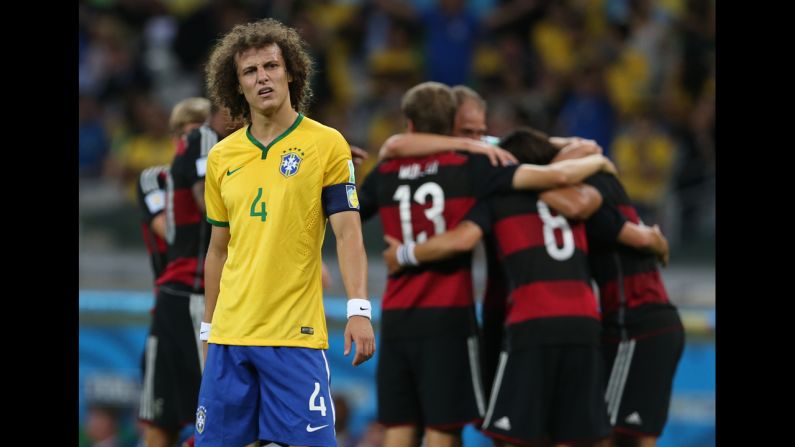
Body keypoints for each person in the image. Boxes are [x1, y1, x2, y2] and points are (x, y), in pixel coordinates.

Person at [358, 81, 615, 447]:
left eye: (482, 132)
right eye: (469, 132)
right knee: (446, 427)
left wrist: (401, 253)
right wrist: (599, 162)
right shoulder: (475, 166)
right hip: (452, 315)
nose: (478, 139)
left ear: (410, 123)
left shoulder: (389, 168)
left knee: (402, 426)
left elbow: (375, 170)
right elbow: (563, 169)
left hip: (403, 313)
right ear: (450, 126)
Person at [197, 18, 375, 447]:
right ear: (236, 85)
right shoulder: (222, 157)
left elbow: (349, 235)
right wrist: (207, 330)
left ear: (291, 72)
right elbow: (218, 251)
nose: (263, 78)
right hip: (230, 337)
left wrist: (359, 310)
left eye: (271, 66)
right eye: (250, 71)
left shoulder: (327, 144)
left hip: (294, 336)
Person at [551, 134, 683, 447]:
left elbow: (640, 238)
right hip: (650, 323)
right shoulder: (608, 185)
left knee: (604, 431)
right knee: (635, 435)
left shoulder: (594, 198)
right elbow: (589, 147)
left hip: (635, 323)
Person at [137, 97, 213, 447]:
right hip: (174, 299)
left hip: (202, 296)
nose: (196, 143)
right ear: (174, 140)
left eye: (201, 134)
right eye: (188, 135)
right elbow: (163, 227)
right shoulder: (154, 179)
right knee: (159, 414)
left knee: (210, 408)